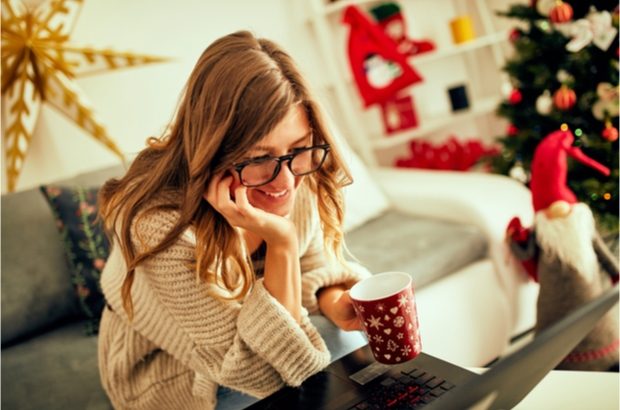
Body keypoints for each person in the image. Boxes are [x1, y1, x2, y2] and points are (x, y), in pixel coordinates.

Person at [97, 30, 371, 409]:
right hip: (176, 374)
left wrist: (331, 298)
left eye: (298, 148)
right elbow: (263, 372)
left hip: (258, 340)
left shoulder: (293, 172)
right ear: (214, 150)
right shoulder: (158, 226)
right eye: (259, 158)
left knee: (354, 343)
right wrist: (281, 242)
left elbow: (311, 268)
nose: (286, 182)